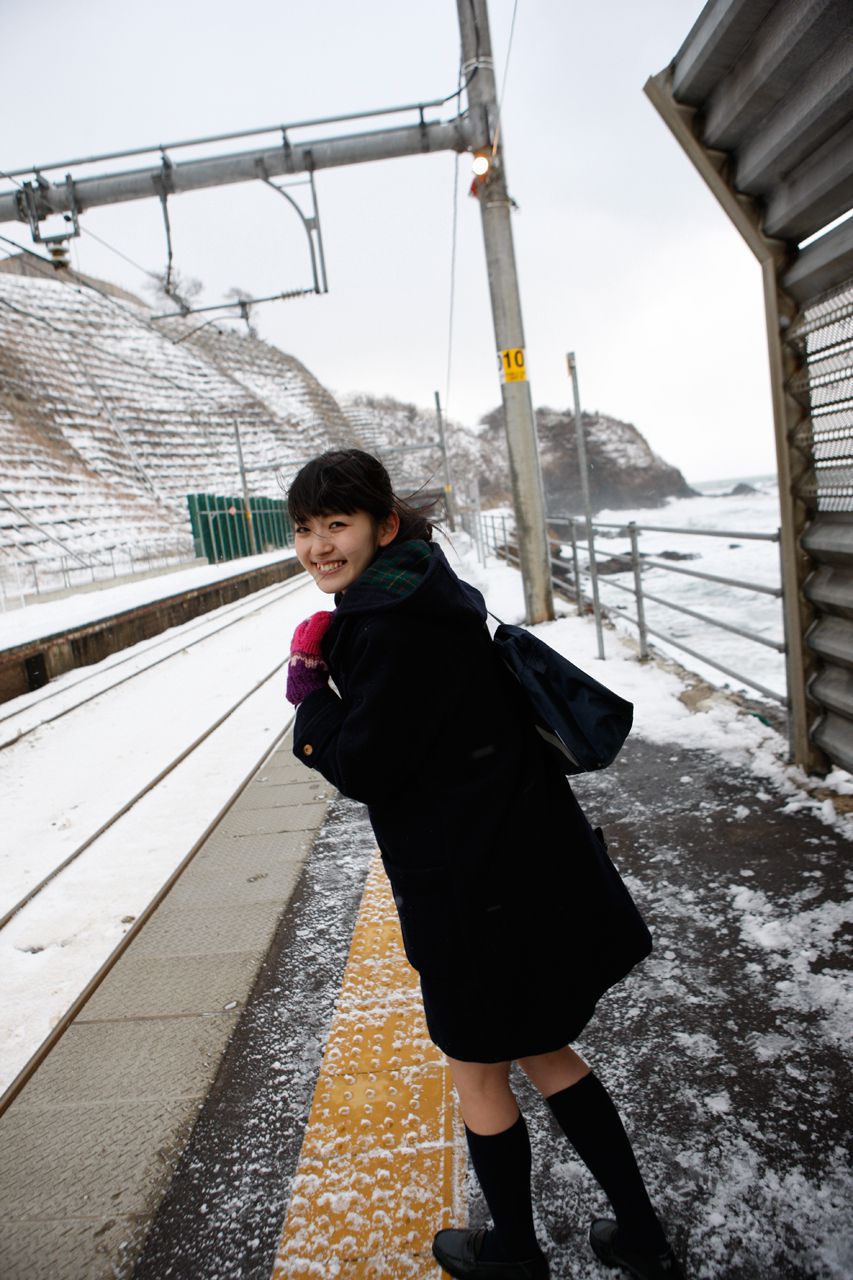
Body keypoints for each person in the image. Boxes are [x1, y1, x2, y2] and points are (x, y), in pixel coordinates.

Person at [285, 448, 684, 1280]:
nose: (319, 546)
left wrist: (310, 695)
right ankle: (639, 1232)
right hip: (519, 864)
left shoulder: (385, 629)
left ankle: (513, 1255)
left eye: (337, 525)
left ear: (381, 525)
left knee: (477, 1070)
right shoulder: (427, 593)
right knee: (546, 1051)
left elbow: (366, 766)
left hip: (471, 890)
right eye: (305, 530)